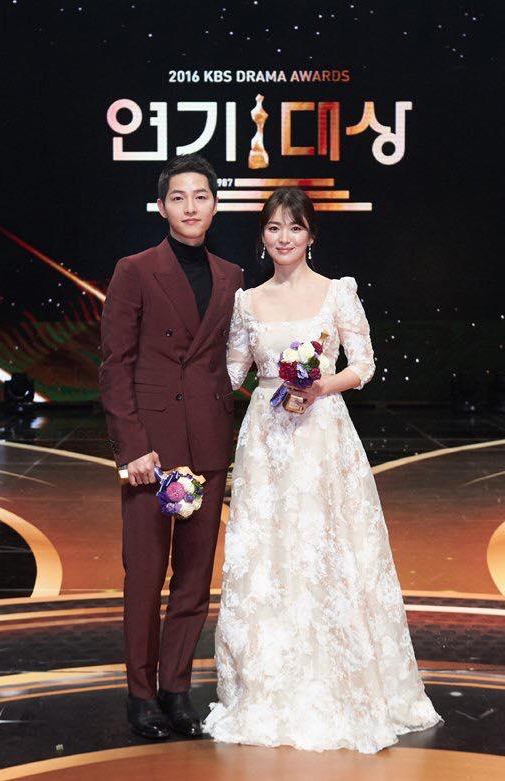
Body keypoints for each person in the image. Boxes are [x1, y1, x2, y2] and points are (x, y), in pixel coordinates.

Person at [203, 187, 443, 753]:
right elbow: (233, 373)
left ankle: (342, 683)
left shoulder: (338, 293)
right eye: (273, 228)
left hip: (321, 438)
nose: (283, 237)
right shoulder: (247, 302)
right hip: (266, 441)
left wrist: (319, 386)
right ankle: (267, 687)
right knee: (268, 556)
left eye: (294, 227)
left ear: (311, 234)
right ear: (262, 237)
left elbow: (365, 365)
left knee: (327, 552)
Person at [99, 153, 242, 740]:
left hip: (207, 443)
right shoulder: (134, 270)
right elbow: (115, 364)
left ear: (215, 205)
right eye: (178, 197)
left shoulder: (231, 276)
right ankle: (140, 695)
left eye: (200, 196)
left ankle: (176, 691)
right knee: (144, 575)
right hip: (151, 454)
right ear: (162, 207)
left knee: (193, 579)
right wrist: (131, 447)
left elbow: (231, 361)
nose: (190, 207)